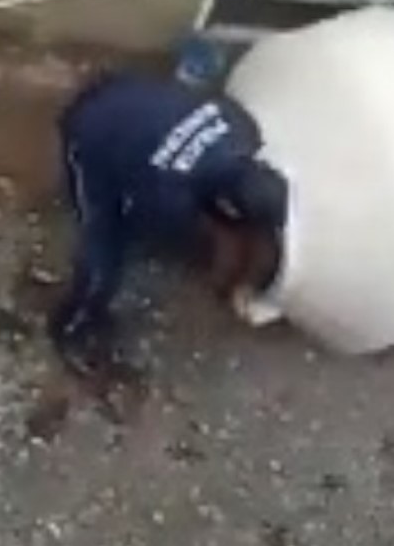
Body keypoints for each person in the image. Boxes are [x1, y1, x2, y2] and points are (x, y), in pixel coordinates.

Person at [51, 70, 289, 376]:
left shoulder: (242, 125)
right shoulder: (167, 194)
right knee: (104, 242)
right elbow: (144, 218)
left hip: (134, 88)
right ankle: (73, 325)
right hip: (92, 125)